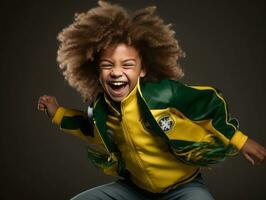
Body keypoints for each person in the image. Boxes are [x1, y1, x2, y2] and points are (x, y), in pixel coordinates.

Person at [38, 1, 265, 199]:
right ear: (95, 72)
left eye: (127, 65)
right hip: (134, 191)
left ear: (143, 69)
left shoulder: (162, 95)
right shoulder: (100, 110)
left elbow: (207, 105)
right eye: (107, 66)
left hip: (184, 187)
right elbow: (88, 128)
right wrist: (57, 112)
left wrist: (240, 140)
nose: (116, 72)